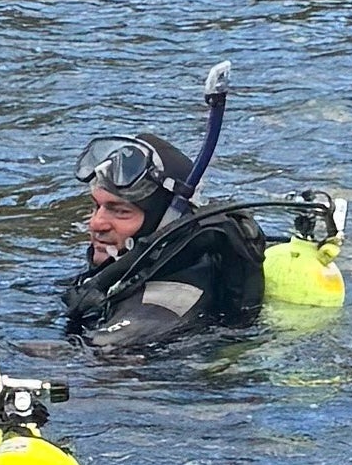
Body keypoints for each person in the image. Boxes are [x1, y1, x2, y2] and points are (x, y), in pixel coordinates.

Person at [62, 126, 272, 357]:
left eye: (120, 211)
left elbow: (94, 355)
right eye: (96, 206)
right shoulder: (136, 272)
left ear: (165, 223)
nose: (96, 223)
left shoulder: (162, 307)